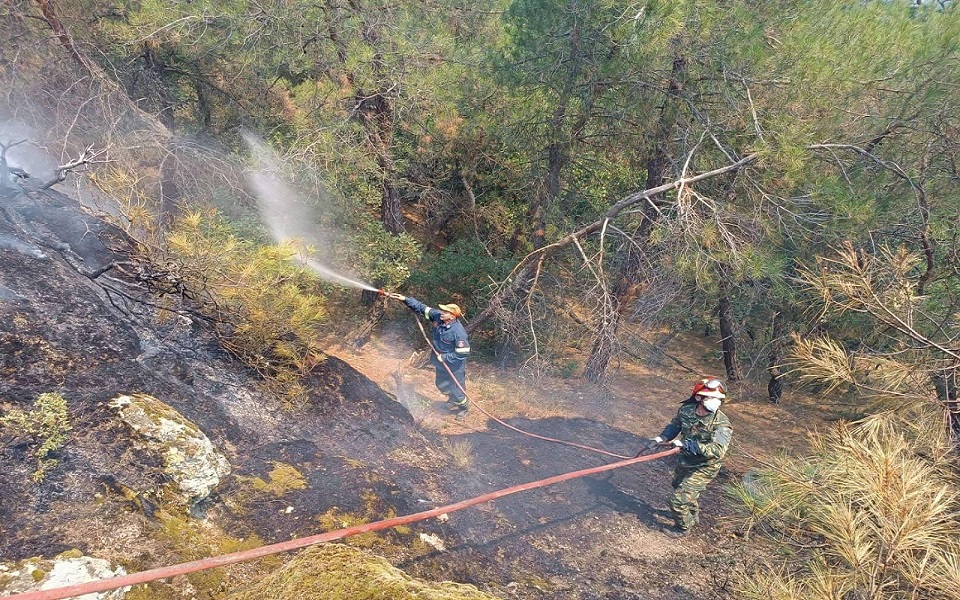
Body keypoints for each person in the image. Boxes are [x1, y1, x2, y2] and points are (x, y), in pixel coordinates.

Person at [645, 377, 733, 536]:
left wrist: (688, 445)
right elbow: (675, 425)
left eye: (719, 399)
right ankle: (692, 515)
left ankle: (683, 528)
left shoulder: (722, 424)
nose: (717, 402)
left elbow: (718, 450)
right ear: (699, 397)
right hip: (685, 460)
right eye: (712, 398)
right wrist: (662, 438)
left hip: (704, 467)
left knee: (678, 500)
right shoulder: (686, 410)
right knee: (679, 487)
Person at [387, 293, 471, 419]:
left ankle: (463, 408)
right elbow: (422, 308)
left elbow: (463, 352)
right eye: (442, 310)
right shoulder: (438, 317)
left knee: (457, 389)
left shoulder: (458, 333)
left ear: (453, 316)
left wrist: (445, 357)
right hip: (440, 362)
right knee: (441, 384)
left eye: (445, 312)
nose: (442, 313)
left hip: (454, 365)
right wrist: (405, 299)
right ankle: (452, 400)